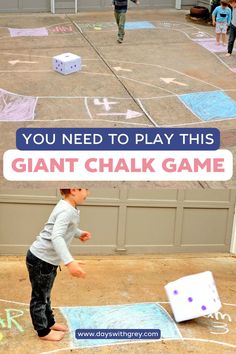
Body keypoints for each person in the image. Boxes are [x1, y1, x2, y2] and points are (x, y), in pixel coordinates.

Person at [26, 188, 91, 341]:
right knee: (40, 297)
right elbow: (57, 236)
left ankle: (49, 322)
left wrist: (78, 233)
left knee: (46, 295)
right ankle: (43, 331)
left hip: (47, 261)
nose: (88, 193)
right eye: (86, 189)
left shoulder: (69, 207)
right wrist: (70, 262)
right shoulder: (66, 210)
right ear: (74, 190)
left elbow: (65, 227)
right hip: (41, 259)